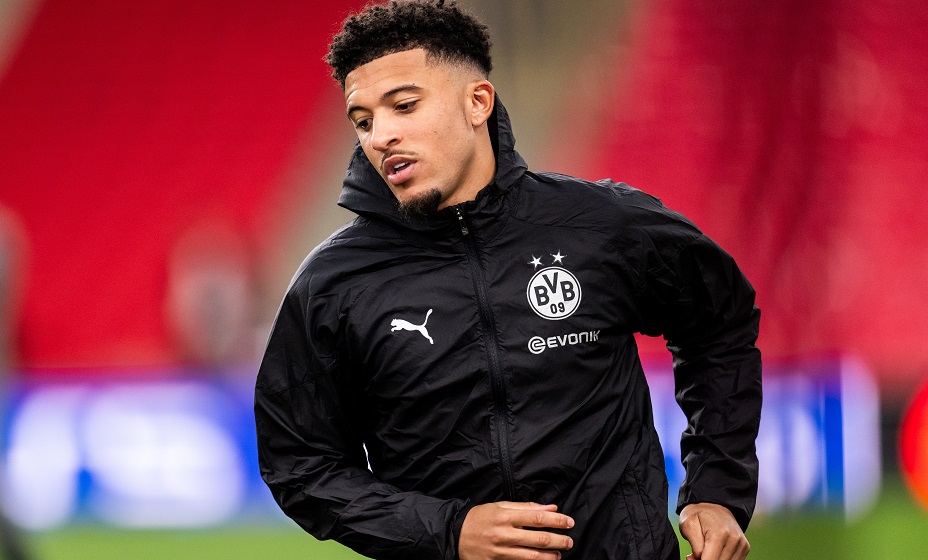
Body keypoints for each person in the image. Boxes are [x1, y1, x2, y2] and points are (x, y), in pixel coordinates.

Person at [254, 1, 762, 559]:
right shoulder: (332, 285)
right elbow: (300, 464)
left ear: (477, 102)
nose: (381, 137)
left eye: (404, 105)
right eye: (364, 120)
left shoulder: (602, 224)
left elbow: (721, 323)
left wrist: (717, 489)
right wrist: (449, 531)